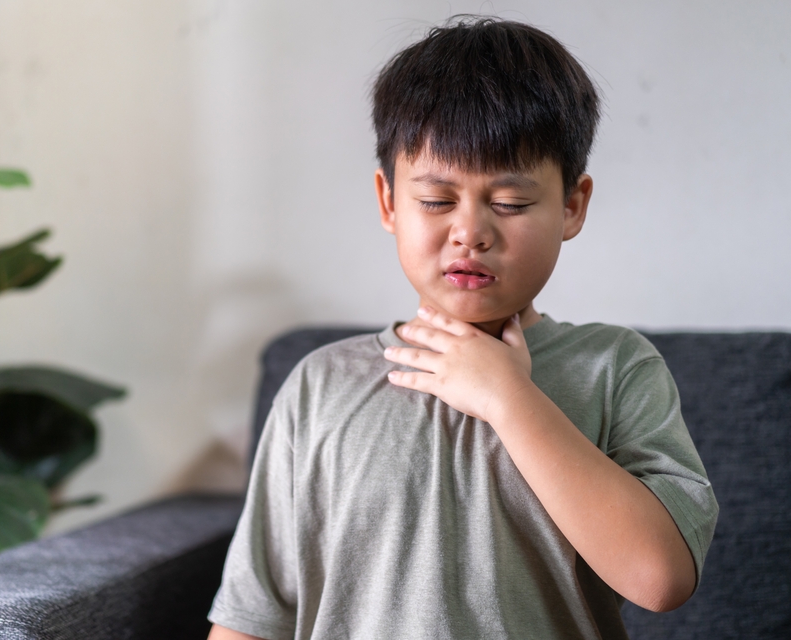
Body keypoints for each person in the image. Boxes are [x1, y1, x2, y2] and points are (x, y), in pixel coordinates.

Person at [206, 16, 718, 640]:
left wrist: (510, 399)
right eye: (437, 201)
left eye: (510, 203)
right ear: (390, 202)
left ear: (572, 207)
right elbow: (253, 616)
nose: (470, 231)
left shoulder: (615, 367)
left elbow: (660, 578)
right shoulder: (320, 385)